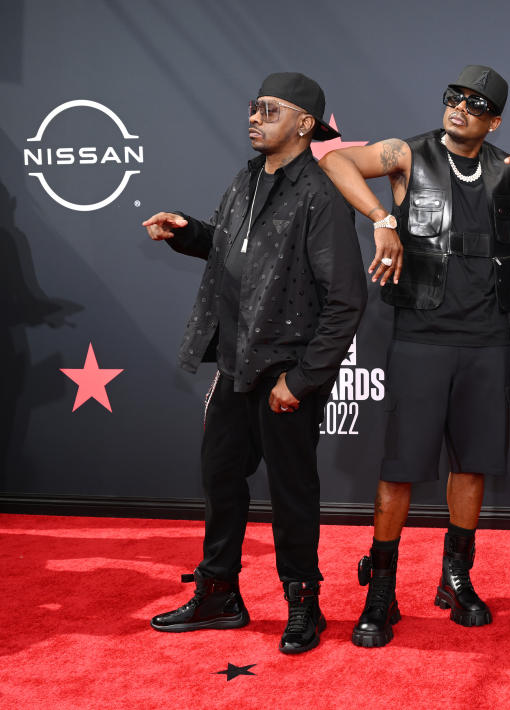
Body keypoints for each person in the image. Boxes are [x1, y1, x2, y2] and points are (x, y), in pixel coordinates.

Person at [319, 65, 510, 647]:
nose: (461, 108)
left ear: (494, 120)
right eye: (454, 97)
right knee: (400, 468)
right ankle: (381, 589)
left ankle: (455, 578)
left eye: (476, 103)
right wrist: (382, 218)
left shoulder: (507, 165)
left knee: (470, 465)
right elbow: (334, 161)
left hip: (488, 336)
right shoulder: (406, 154)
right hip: (421, 332)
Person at [143, 72, 367, 655]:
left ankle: (304, 605)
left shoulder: (322, 194)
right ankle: (219, 594)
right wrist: (188, 234)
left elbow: (346, 299)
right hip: (236, 361)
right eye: (253, 107)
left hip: (285, 368)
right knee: (220, 477)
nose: (254, 116)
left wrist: (304, 378)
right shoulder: (246, 178)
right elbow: (236, 249)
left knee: (292, 489)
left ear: (304, 123)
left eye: (269, 109)